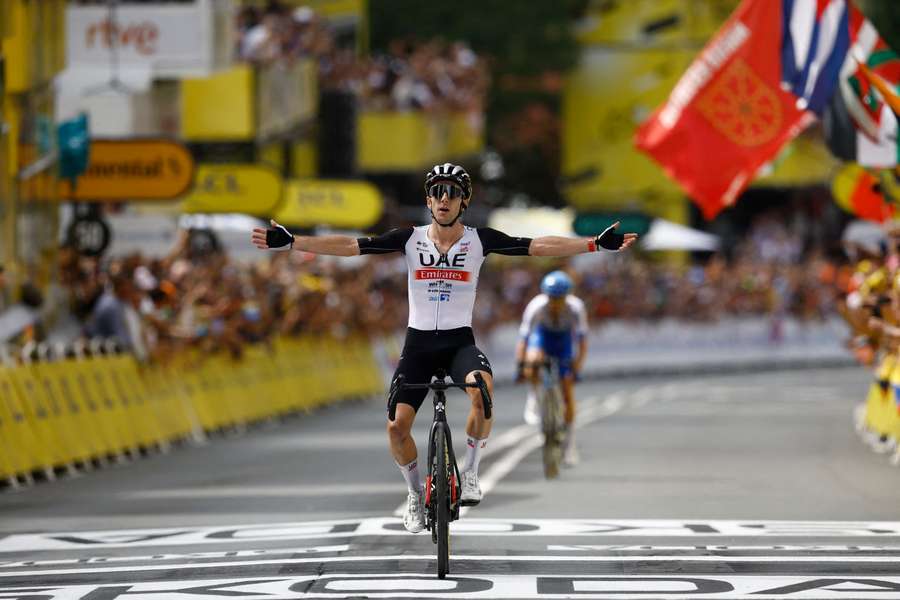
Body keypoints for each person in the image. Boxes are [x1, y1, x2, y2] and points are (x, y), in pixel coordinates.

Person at [251, 162, 637, 533]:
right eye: (437, 193)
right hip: (418, 345)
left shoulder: (479, 240)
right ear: (429, 201)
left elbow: (537, 246)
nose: (443, 199)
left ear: (463, 202)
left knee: (481, 391)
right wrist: (293, 241)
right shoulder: (409, 239)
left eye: (452, 193)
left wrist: (593, 244)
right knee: (396, 427)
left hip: (458, 343)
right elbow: (352, 245)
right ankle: (415, 495)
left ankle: (469, 473)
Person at [515, 270, 588, 466]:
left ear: (567, 296)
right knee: (532, 359)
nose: (555, 303)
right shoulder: (536, 306)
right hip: (542, 339)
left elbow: (582, 342)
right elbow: (523, 339)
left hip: (563, 343)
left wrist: (577, 366)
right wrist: (522, 367)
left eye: (559, 298)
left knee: (567, 391)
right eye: (552, 298)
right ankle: (534, 396)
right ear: (545, 295)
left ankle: (570, 446)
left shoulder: (576, 308)